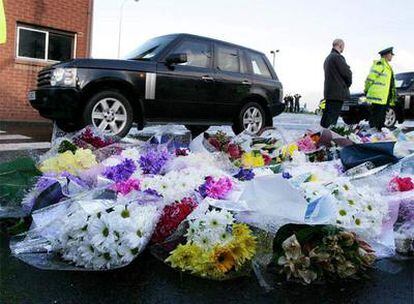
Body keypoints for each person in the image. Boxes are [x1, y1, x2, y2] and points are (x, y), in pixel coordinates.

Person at [320, 39, 352, 128]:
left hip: (330, 93)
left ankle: (320, 137)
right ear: (340, 46)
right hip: (337, 93)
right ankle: (326, 139)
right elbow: (347, 74)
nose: (343, 49)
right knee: (331, 121)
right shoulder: (338, 57)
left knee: (326, 118)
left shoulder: (328, 58)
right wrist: (347, 85)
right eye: (343, 46)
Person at [365, 47, 396, 130]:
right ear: (386, 55)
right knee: (376, 118)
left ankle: (378, 135)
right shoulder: (380, 64)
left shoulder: (387, 66)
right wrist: (366, 89)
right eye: (391, 54)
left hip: (383, 97)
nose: (392, 56)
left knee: (381, 118)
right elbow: (370, 79)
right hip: (378, 97)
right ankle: (373, 136)